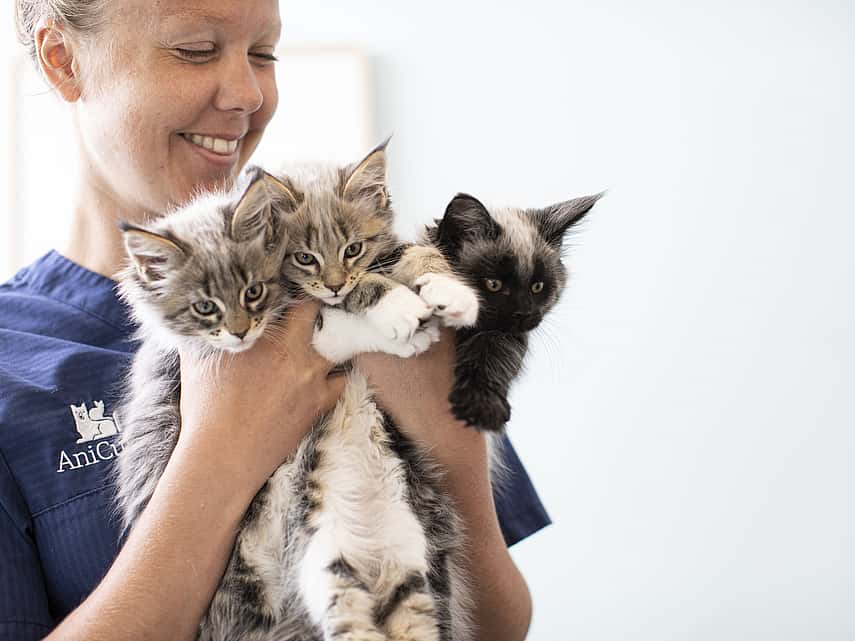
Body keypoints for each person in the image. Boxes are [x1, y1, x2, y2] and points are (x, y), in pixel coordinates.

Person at [0, 1, 551, 640]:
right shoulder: (13, 365)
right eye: (196, 49)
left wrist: (449, 444)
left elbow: (500, 625)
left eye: (265, 54)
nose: (248, 94)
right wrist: (221, 454)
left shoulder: (362, 282)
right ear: (63, 59)